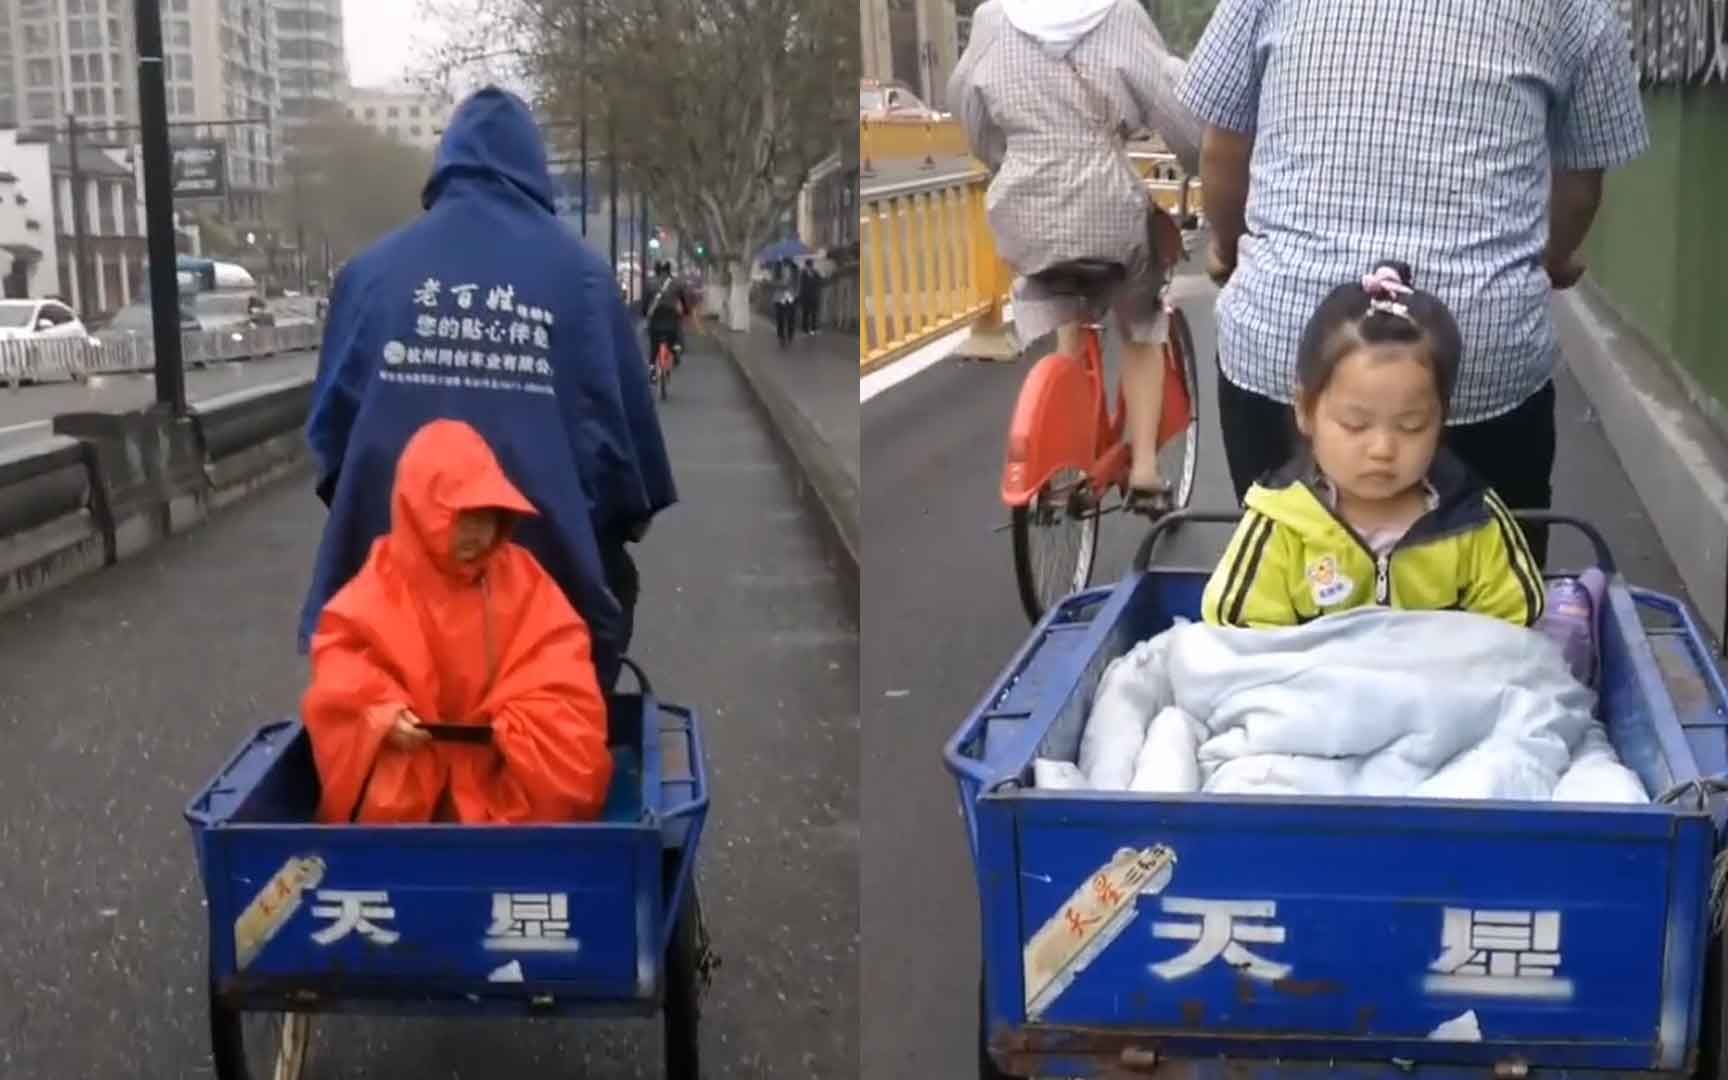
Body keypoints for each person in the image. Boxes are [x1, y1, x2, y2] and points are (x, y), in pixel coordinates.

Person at [1179, 0, 1647, 563]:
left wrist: (1228, 251)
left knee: (1285, 585)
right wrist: (1551, 258)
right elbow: (1579, 178)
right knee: (1491, 598)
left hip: (1287, 336)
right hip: (1476, 351)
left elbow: (1223, 145)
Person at [302, 87, 674, 692]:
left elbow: (332, 449)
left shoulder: (368, 276)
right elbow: (633, 482)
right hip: (549, 630)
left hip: (385, 630)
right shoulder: (582, 279)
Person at [947, 0, 1201, 509]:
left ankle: (1064, 432)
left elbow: (969, 112)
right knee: (1141, 320)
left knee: (1066, 290)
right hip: (1107, 201)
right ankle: (1147, 469)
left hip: (1023, 209)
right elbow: (1175, 113)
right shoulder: (1121, 15)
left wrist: (1014, 160)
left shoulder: (995, 18)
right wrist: (1198, 160)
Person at [1202, 264, 1544, 630]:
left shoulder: (1473, 520)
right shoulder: (1279, 525)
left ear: (1441, 421)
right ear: (1305, 411)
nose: (1382, 449)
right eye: (1355, 424)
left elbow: (1514, 628)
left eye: (1411, 426)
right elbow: (1239, 633)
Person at [303, 420, 613, 825]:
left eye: (488, 516)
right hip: (412, 767)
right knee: (379, 786)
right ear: (418, 509)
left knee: (568, 764)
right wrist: (381, 711)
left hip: (502, 769)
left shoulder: (522, 577)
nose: (478, 534)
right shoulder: (380, 583)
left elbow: (560, 665)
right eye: (460, 517)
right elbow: (341, 666)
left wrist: (521, 726)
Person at [643, 259, 693, 373]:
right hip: (671, 317)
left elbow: (645, 303)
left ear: (656, 269)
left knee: (653, 346)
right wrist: (686, 311)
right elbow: (683, 300)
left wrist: (645, 312)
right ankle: (676, 350)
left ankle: (652, 369)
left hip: (656, 318)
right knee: (676, 334)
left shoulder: (650, 283)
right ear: (669, 269)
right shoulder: (676, 283)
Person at [773, 258, 798, 346]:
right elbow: (774, 282)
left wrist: (795, 293)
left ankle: (790, 335)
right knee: (780, 318)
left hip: (791, 296)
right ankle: (781, 336)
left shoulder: (795, 269)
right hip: (779, 297)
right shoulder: (777, 268)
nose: (786, 262)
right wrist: (782, 284)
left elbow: (797, 283)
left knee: (791, 317)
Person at [797, 257, 824, 335]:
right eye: (809, 265)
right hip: (806, 296)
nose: (810, 266)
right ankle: (805, 328)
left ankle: (813, 328)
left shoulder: (815, 273)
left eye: (811, 265)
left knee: (814, 313)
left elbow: (820, 281)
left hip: (813, 295)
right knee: (806, 313)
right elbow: (801, 285)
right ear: (807, 265)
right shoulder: (803, 273)